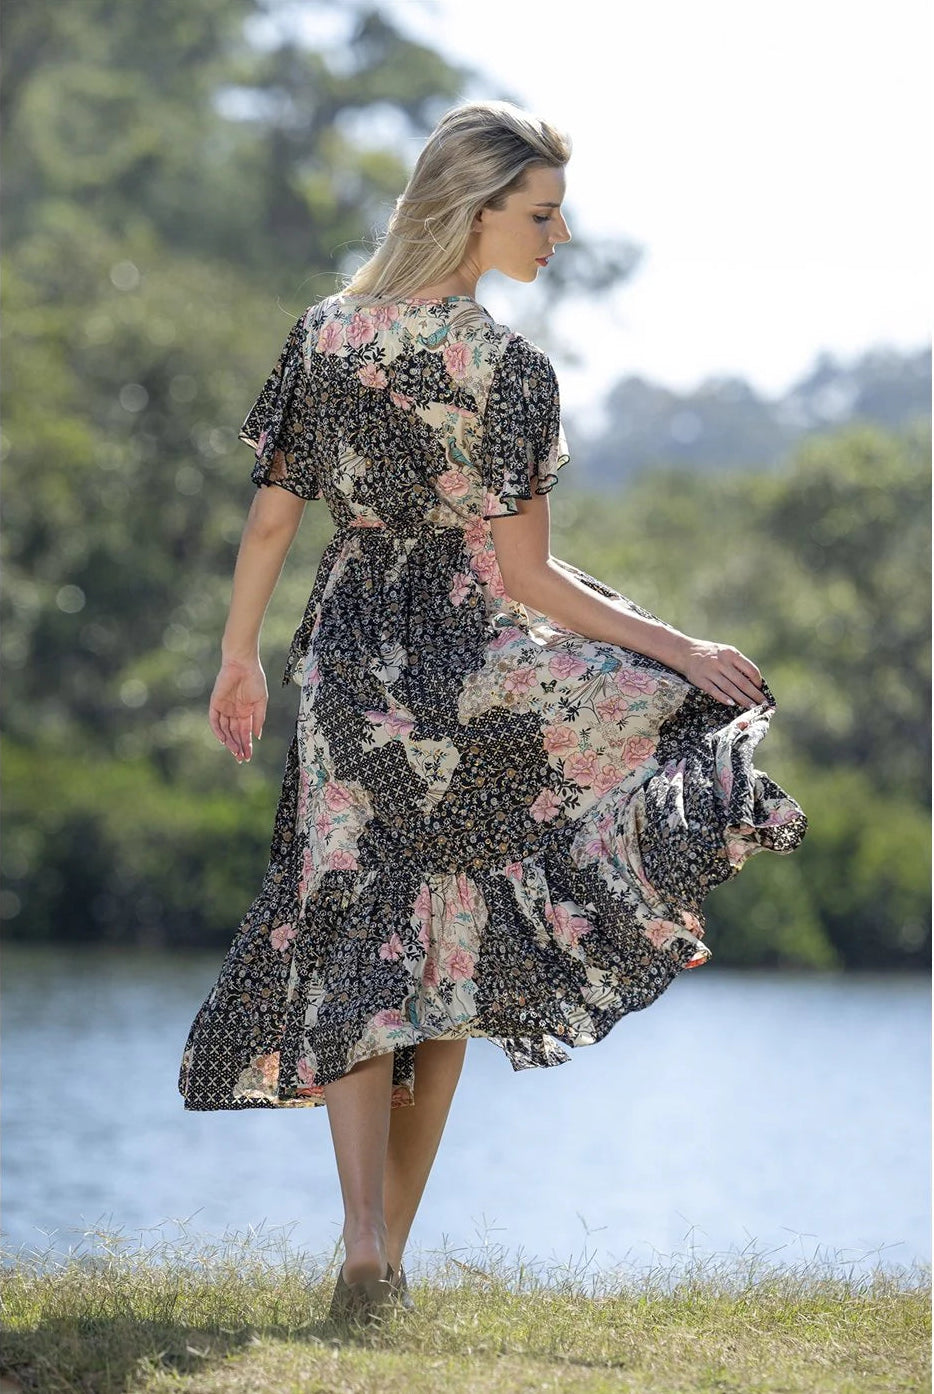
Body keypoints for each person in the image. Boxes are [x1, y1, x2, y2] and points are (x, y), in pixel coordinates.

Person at [177, 99, 808, 1328]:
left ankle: (366, 1244)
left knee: (353, 928)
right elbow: (527, 579)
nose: (557, 234)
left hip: (350, 661)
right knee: (445, 948)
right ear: (470, 211)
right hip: (470, 668)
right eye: (538, 212)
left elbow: (271, 519)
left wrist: (236, 656)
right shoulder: (510, 371)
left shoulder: (326, 336)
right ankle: (386, 1256)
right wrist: (675, 648)